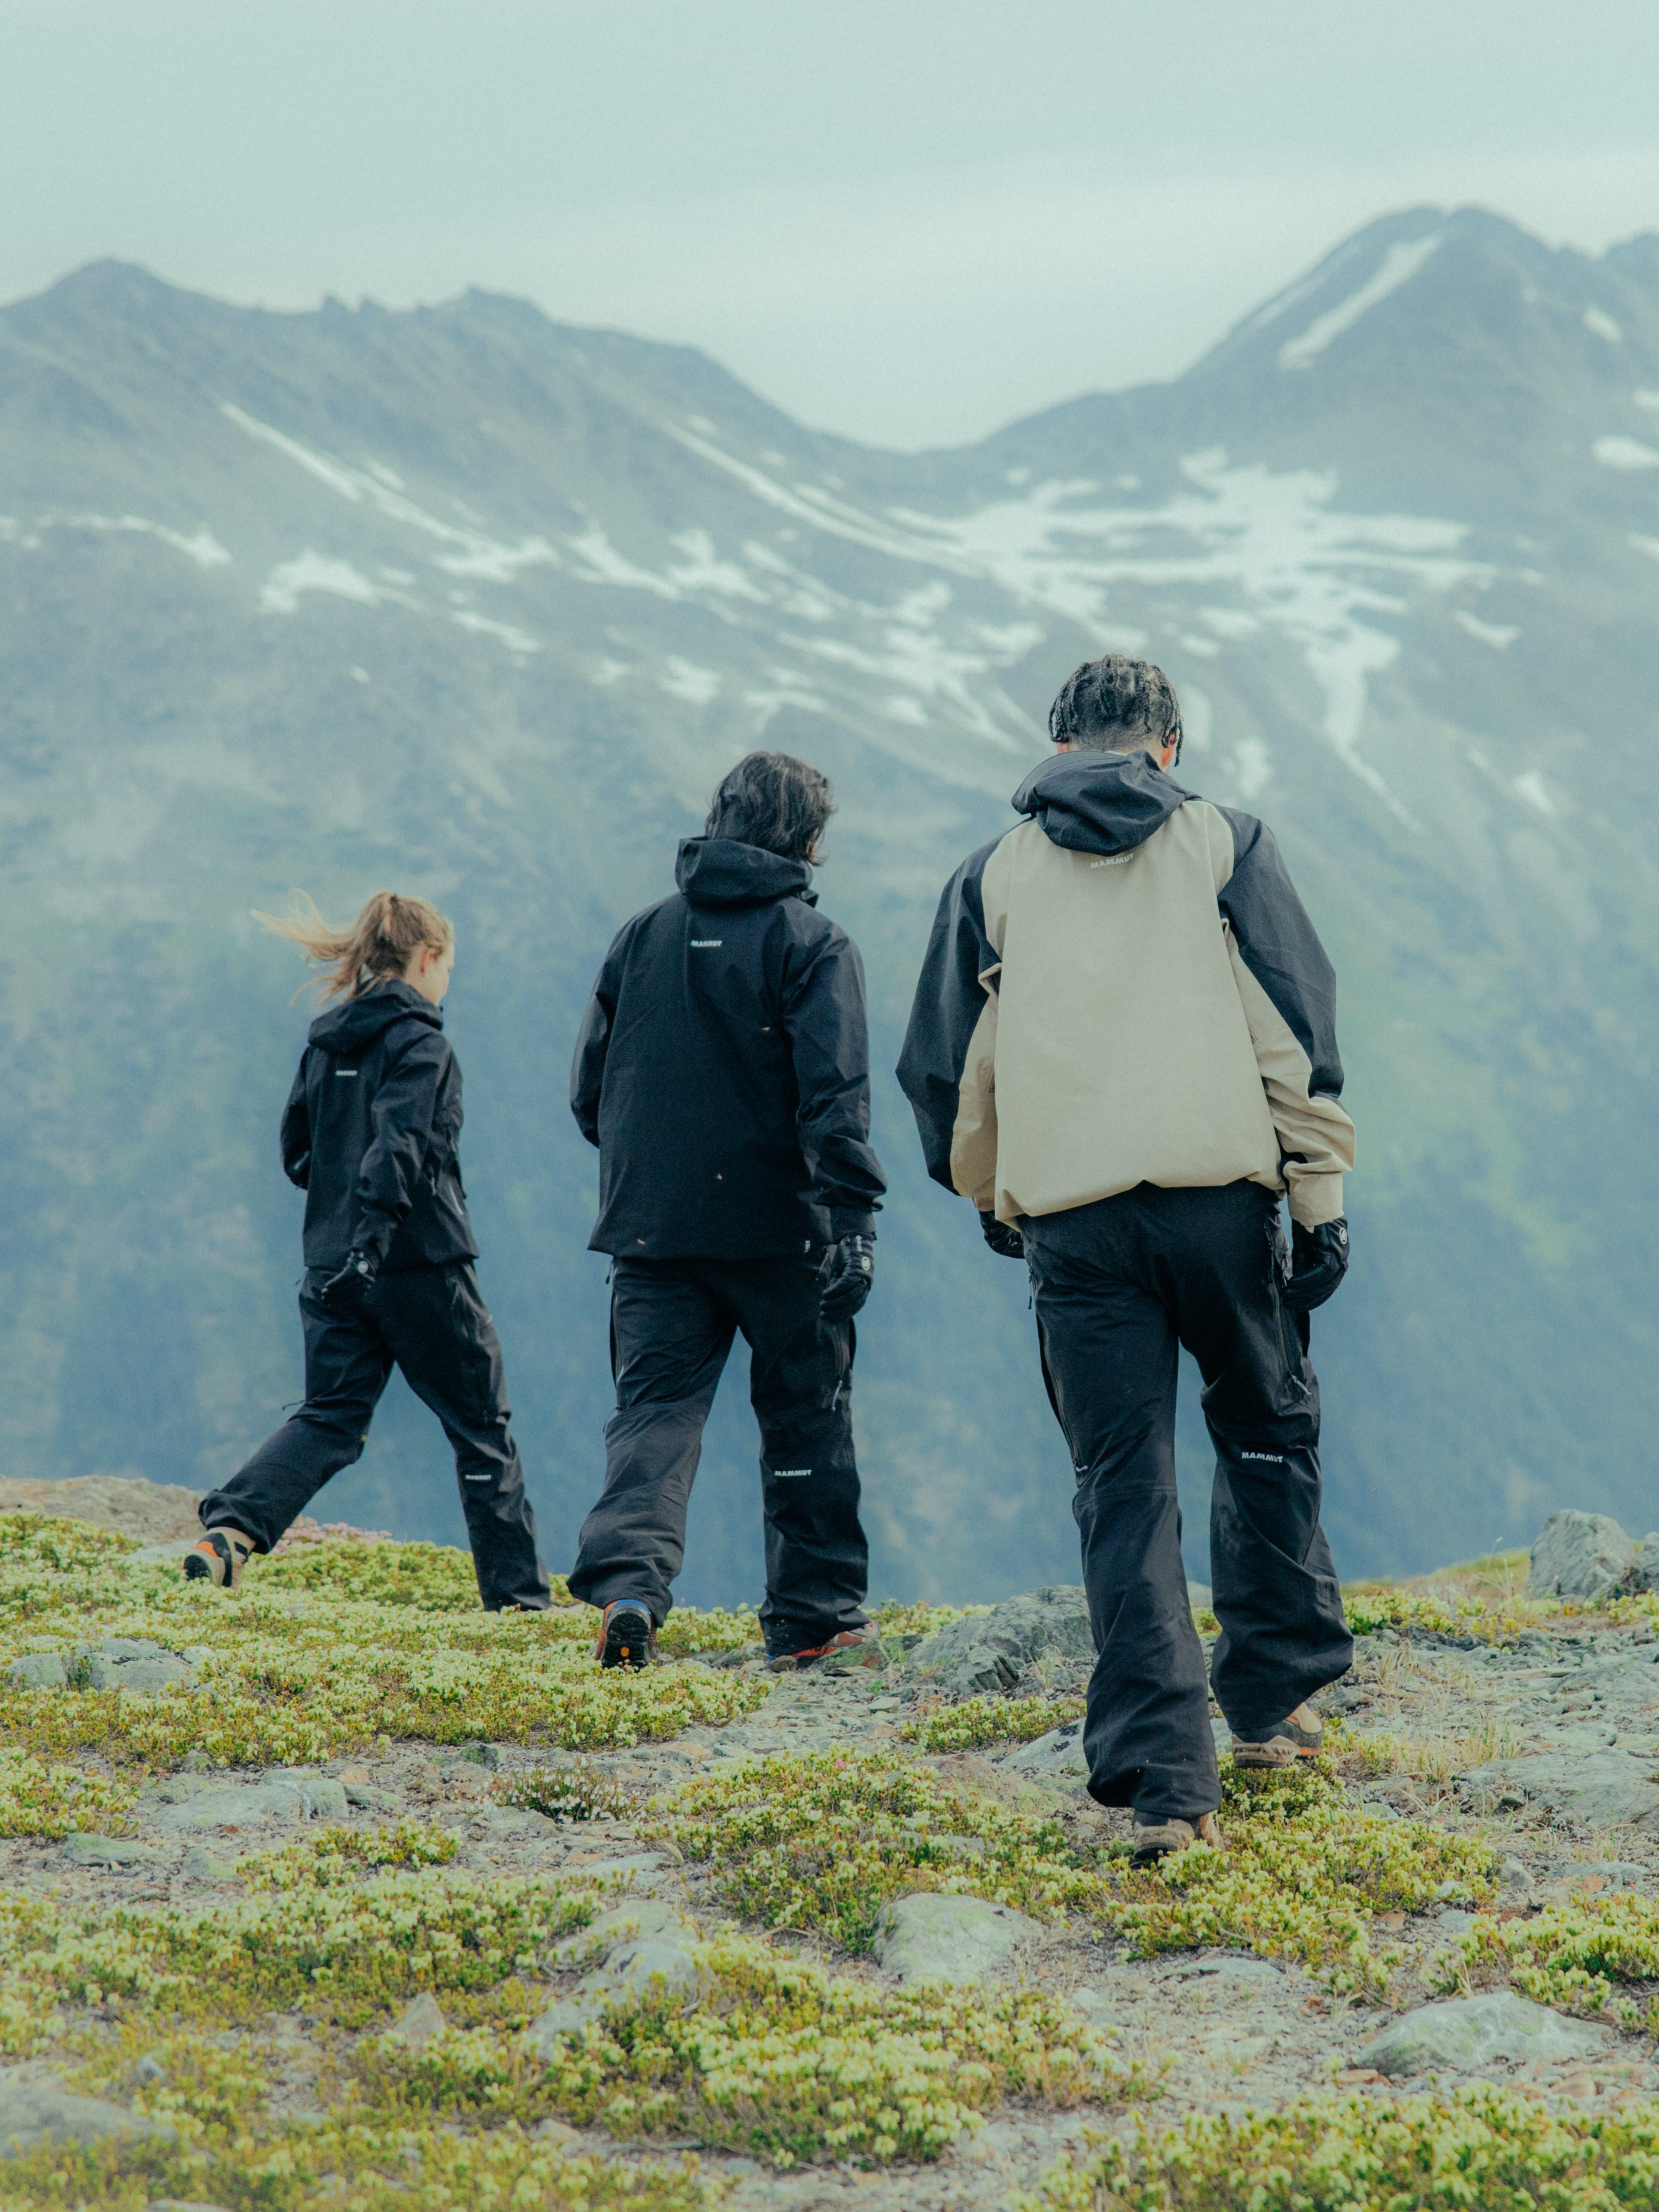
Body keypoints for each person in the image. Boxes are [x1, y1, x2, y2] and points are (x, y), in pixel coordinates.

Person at [897, 656, 1354, 1864]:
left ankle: (1166, 1786)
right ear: (1168, 744)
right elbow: (1294, 1018)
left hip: (1077, 1224)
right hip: (1218, 1200)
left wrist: (998, 1191)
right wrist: (1319, 1195)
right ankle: (1274, 1698)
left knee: (1121, 1484)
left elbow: (943, 1065)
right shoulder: (1226, 841)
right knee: (1263, 1428)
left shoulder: (988, 872)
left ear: (1055, 745)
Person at [568, 750, 887, 1671]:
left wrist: (654, 1173)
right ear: (809, 840)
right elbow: (834, 1102)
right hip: (781, 1230)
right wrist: (853, 1223)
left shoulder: (641, 935)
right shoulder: (812, 945)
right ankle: (811, 1618)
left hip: (650, 1228)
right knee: (803, 1413)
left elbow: (592, 1092)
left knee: (655, 1410)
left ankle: (630, 1589)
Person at [187, 892, 550, 1611]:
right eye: (448, 964)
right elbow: (401, 1146)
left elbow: (297, 1153)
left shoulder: (326, 1043)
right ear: (427, 958)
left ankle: (229, 1530)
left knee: (330, 1416)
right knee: (481, 1430)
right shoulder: (422, 1044)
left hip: (330, 1266)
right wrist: (376, 1238)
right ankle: (518, 1609)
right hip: (418, 1266)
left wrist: (343, 1226)